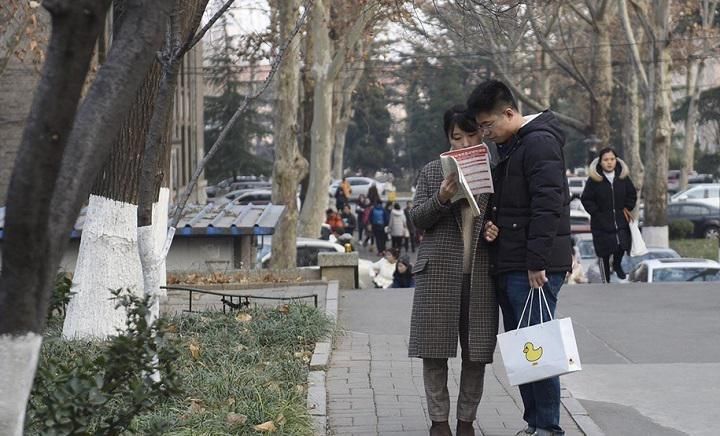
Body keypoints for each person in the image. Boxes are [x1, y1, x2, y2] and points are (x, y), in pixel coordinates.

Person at [467, 80, 572, 436]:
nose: (485, 133)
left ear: (509, 113)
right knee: (523, 349)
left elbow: (549, 203)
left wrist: (536, 261)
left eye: (487, 125)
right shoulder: (512, 147)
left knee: (538, 349)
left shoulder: (539, 143)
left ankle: (549, 427)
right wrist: (493, 225)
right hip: (512, 260)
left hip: (533, 267)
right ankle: (534, 423)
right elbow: (514, 204)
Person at [408, 105, 499, 436]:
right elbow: (417, 219)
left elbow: (503, 218)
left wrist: (493, 228)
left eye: (471, 135)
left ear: (482, 134)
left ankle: (465, 422)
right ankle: (439, 423)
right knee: (434, 352)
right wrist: (441, 198)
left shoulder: (494, 171)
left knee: (476, 353)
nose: (464, 144)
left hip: (481, 275)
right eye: (456, 137)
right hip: (438, 275)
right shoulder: (434, 171)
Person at [580, 147, 637, 282]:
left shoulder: (623, 178)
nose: (609, 162)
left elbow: (632, 194)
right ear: (600, 162)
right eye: (606, 160)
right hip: (601, 223)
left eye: (612, 159)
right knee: (603, 253)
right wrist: (596, 212)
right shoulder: (594, 180)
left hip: (620, 219)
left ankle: (617, 265)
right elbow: (586, 199)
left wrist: (627, 207)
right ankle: (606, 279)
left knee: (622, 245)